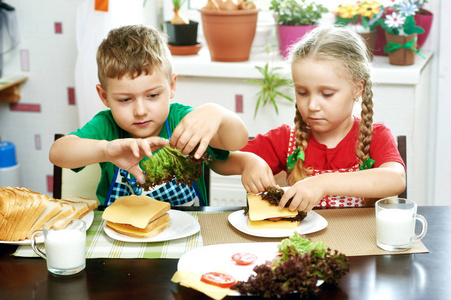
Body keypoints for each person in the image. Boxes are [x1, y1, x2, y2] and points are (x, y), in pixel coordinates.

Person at [49, 25, 248, 207]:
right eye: (125, 100)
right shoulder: (106, 126)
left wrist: (217, 113)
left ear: (171, 86)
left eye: (152, 96)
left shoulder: (182, 119)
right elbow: (58, 153)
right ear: (104, 96)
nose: (140, 111)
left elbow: (237, 141)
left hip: (188, 232)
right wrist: (106, 150)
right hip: (121, 233)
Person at [231, 25, 406, 211]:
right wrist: (246, 162)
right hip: (302, 240)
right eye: (303, 92)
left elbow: (396, 179)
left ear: (357, 89)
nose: (312, 106)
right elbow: (219, 160)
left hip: (358, 239)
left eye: (327, 94)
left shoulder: (376, 137)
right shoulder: (286, 140)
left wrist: (322, 184)